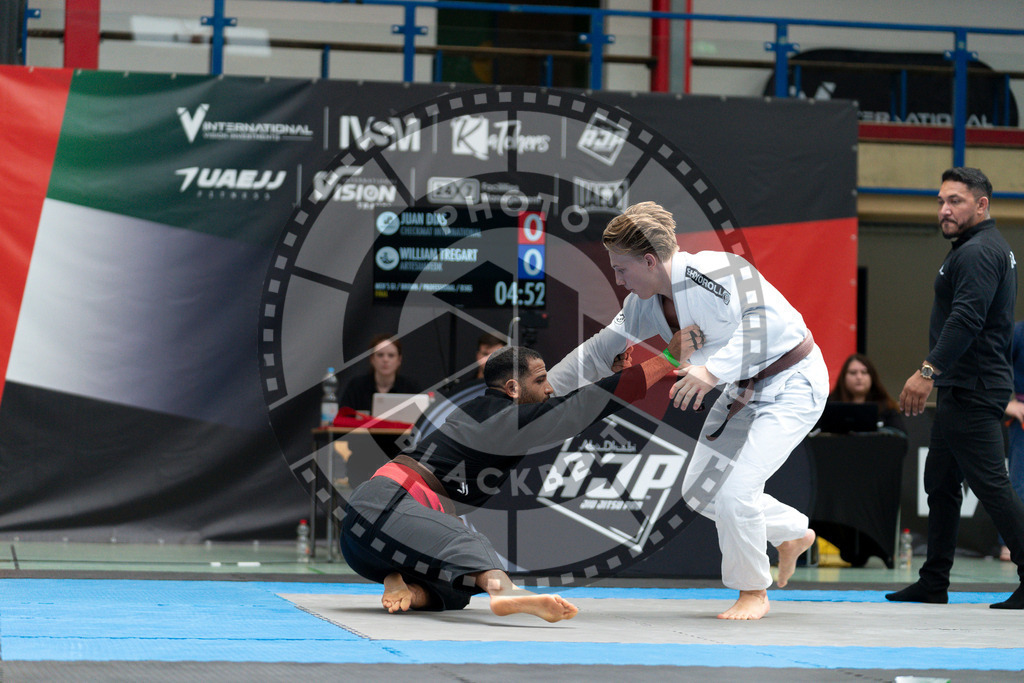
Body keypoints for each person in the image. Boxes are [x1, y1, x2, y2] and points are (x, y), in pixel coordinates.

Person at [547, 201, 828, 620]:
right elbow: (600, 350)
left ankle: (753, 591)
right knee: (700, 491)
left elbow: (766, 321)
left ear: (648, 259)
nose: (619, 281)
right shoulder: (646, 304)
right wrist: (548, 388)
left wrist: (711, 371)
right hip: (743, 392)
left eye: (622, 270)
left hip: (792, 384)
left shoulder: (714, 270)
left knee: (735, 492)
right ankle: (792, 534)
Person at [340, 331, 700, 621]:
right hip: (384, 508)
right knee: (471, 547)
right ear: (513, 389)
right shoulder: (505, 419)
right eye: (541, 381)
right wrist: (665, 359)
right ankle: (506, 593)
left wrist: (615, 375)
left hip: (366, 547)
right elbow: (584, 406)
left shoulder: (491, 411)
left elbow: (573, 396)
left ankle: (399, 582)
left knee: (459, 588)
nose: (548, 389)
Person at [888, 167, 1024, 609]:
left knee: (992, 488)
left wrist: (926, 372)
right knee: (941, 485)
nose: (945, 209)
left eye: (956, 201)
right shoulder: (976, 248)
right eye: (942, 201)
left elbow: (967, 318)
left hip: (973, 388)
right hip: (964, 386)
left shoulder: (980, 252)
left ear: (981, 205)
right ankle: (934, 582)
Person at [339, 334, 420, 413]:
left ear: (399, 360)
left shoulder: (410, 388)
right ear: (372, 359)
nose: (385, 360)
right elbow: (343, 418)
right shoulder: (356, 387)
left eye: (391, 355)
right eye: (380, 355)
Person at [828, 353, 905, 433]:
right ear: (843, 377)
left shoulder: (887, 407)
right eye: (853, 372)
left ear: (872, 377)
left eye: (864, 372)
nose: (859, 377)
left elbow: (900, 436)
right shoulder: (828, 405)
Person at [1001, 321, 1024, 561]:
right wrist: (1007, 402)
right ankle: (1010, 543)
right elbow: (993, 363)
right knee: (1019, 481)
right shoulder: (1018, 332)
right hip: (1022, 416)